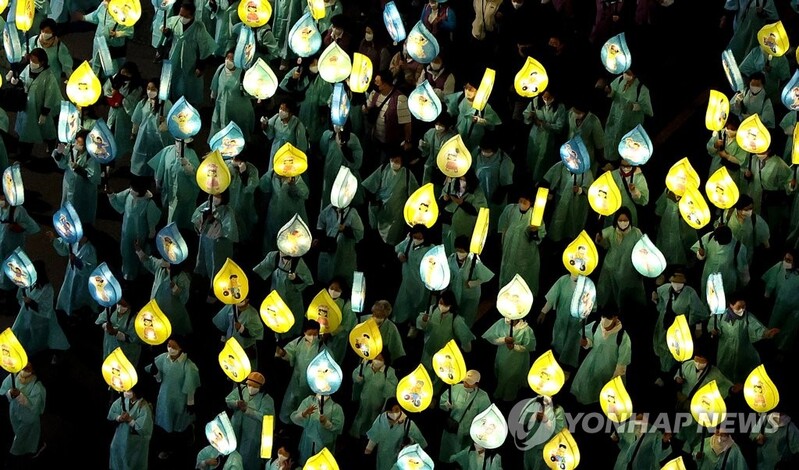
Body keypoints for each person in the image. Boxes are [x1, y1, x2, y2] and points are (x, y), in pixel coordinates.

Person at [145, 337, 201, 460]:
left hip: (180, 399)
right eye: (169, 345)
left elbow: (190, 386)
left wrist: (190, 402)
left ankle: (183, 440)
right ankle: (166, 447)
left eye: (174, 347)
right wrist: (155, 373)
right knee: (165, 422)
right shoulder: (163, 358)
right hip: (165, 396)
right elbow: (159, 378)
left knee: (179, 425)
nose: (170, 349)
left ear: (181, 348)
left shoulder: (188, 366)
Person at [651, 269, 707, 382]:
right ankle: (662, 374)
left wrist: (698, 327)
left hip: (679, 326)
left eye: (680, 283)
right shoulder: (665, 289)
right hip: (663, 324)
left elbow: (698, 312)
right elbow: (658, 299)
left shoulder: (690, 293)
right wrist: (655, 298)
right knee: (661, 347)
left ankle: (672, 375)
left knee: (676, 350)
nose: (677, 285)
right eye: (674, 282)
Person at [710, 292, 778, 383]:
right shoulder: (721, 315)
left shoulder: (747, 317)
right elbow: (713, 325)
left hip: (743, 350)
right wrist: (713, 331)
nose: (742, 309)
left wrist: (766, 333)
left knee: (743, 371)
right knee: (724, 368)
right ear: (731, 305)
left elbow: (757, 327)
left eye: (744, 306)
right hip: (725, 349)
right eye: (739, 307)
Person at [674, 352, 734, 452]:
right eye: (697, 357)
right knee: (683, 428)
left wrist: (731, 389)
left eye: (702, 358)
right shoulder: (687, 364)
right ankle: (681, 446)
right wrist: (677, 379)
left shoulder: (715, 373)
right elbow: (678, 374)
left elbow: (725, 385)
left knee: (697, 433)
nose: (698, 361)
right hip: (685, 405)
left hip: (701, 408)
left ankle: (694, 450)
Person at [537, 272, 595, 374]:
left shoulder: (588, 284)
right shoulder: (563, 280)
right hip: (562, 320)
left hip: (577, 324)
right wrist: (544, 311)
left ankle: (566, 370)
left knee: (572, 345)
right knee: (559, 343)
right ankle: (554, 367)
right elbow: (552, 296)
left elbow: (590, 305)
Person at [570, 310, 632, 405]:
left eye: (609, 317)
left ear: (616, 317)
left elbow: (622, 362)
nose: (605, 320)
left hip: (610, 371)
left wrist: (614, 381)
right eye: (604, 316)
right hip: (591, 365)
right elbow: (591, 343)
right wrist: (586, 342)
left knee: (606, 400)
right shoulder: (596, 326)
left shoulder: (622, 336)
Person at [10, 48, 62, 161]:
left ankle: (52, 145)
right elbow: (23, 81)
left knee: (46, 130)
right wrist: (17, 82)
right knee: (26, 130)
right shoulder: (28, 68)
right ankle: (24, 154)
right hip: (26, 107)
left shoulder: (48, 77)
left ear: (42, 62)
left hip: (39, 110)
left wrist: (44, 112)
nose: (32, 62)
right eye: (31, 60)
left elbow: (50, 95)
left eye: (34, 60)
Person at [11, 260, 69, 359]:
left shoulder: (47, 288)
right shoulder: (28, 282)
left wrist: (31, 303)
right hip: (27, 315)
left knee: (38, 337)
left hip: (40, 319)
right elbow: (20, 296)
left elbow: (47, 308)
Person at [162, 3, 216, 105]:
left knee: (188, 88)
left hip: (191, 63)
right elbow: (168, 35)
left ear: (191, 15)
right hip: (173, 60)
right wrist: (167, 33)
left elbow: (205, 48)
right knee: (172, 84)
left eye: (185, 16)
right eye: (180, 14)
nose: (182, 18)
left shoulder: (199, 27)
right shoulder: (174, 21)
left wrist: (200, 66)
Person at [108, 177, 161, 281]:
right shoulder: (128, 194)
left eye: (133, 188)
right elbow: (117, 200)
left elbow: (152, 223)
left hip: (139, 236)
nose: (131, 189)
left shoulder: (149, 204)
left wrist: (150, 237)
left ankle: (137, 276)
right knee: (126, 253)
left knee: (137, 255)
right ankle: (127, 274)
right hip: (126, 232)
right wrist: (111, 194)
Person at [362, 152, 420, 246]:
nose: (394, 162)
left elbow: (415, 194)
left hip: (398, 212)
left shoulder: (407, 174)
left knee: (394, 238)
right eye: (392, 160)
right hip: (382, 210)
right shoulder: (383, 169)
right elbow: (370, 185)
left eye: (396, 160)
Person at [254, 251, 314, 339]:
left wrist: (296, 279)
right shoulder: (274, 257)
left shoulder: (298, 262)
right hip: (275, 300)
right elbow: (259, 271)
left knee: (292, 328)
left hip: (292, 302)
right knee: (274, 325)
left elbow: (308, 282)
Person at [596, 207, 645, 310]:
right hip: (610, 268)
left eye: (625, 220)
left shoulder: (636, 233)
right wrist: (599, 240)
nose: (623, 222)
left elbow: (643, 248)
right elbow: (604, 244)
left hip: (629, 269)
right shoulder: (611, 231)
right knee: (609, 294)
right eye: (620, 220)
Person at [498, 191, 546, 295]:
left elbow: (541, 234)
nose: (522, 203)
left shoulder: (535, 214)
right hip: (509, 248)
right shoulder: (510, 209)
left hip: (525, 251)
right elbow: (503, 226)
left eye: (525, 201)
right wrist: (503, 242)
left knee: (523, 274)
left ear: (531, 202)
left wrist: (535, 232)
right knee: (507, 271)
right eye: (520, 201)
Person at [601, 69, 653, 164]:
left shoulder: (641, 89)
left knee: (626, 151)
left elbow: (648, 110)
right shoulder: (620, 80)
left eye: (628, 73)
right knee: (611, 144)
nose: (625, 75)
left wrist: (635, 106)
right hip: (615, 119)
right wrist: (608, 90)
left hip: (629, 125)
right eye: (625, 72)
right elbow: (613, 93)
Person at [192, 190, 239, 296]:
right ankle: (202, 283)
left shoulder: (227, 211)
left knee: (217, 267)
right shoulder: (207, 205)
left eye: (218, 195)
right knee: (203, 261)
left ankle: (214, 291)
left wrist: (215, 221)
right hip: (205, 241)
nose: (216, 197)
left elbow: (229, 231)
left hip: (220, 245)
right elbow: (195, 219)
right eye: (214, 195)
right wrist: (203, 218)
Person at [224, 372, 274, 469]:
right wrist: (236, 403)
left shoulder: (266, 399)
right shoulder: (242, 389)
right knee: (232, 452)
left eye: (254, 386)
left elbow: (266, 417)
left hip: (252, 432)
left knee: (247, 456)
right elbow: (228, 400)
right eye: (249, 385)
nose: (250, 388)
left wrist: (247, 410)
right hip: (236, 426)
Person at [137, 247, 192, 335]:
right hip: (155, 309)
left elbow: (184, 298)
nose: (162, 259)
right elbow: (149, 262)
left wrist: (175, 288)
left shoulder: (182, 278)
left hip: (170, 314)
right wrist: (139, 250)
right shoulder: (161, 268)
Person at [275, 320, 322, 424]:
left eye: (315, 334)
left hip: (312, 384)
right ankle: (287, 423)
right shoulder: (298, 342)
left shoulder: (321, 347)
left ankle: (302, 425)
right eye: (310, 334)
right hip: (296, 379)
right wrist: (283, 353)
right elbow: (289, 353)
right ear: (304, 332)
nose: (313, 337)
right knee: (290, 402)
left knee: (306, 406)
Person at [279, 57, 333, 146]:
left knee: (313, 138)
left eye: (317, 64)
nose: (315, 67)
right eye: (313, 64)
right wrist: (293, 79)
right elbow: (283, 86)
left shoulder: (323, 78)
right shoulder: (297, 71)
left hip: (315, 114)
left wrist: (323, 114)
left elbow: (327, 99)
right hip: (299, 111)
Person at [149, 139, 200, 231]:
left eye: (182, 143)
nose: (179, 145)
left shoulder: (191, 154)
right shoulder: (168, 151)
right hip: (168, 190)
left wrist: (187, 165)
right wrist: (157, 182)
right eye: (177, 141)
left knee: (183, 215)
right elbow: (160, 168)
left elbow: (196, 175)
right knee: (169, 212)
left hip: (185, 192)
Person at [439, 370, 490, 461]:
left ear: (476, 383)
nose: (466, 384)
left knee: (462, 455)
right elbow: (443, 400)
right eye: (465, 381)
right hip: (452, 428)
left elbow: (485, 416)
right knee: (448, 450)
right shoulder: (455, 388)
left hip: (467, 433)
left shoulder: (483, 397)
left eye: (469, 383)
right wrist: (446, 404)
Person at [482, 315, 536, 402]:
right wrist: (504, 340)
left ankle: (509, 396)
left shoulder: (526, 330)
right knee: (502, 373)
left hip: (516, 359)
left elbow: (528, 347)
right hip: (502, 355)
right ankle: (500, 391)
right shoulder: (502, 323)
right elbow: (493, 338)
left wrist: (514, 347)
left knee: (512, 377)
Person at [52, 131, 101, 225]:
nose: (77, 145)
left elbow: (94, 177)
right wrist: (58, 153)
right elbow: (62, 164)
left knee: (81, 212)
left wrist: (79, 169)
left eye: (80, 144)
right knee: (67, 205)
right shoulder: (71, 149)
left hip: (83, 189)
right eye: (77, 142)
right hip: (68, 184)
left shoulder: (92, 157)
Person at [417, 290, 474, 371]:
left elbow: (464, 336)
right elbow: (423, 325)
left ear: (450, 305)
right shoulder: (433, 309)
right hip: (428, 348)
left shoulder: (455, 320)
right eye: (441, 302)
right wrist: (423, 320)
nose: (442, 305)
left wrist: (466, 348)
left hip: (444, 354)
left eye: (445, 304)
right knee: (424, 370)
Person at [365, 398, 428, 470]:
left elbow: (421, 442)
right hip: (382, 455)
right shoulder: (381, 418)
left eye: (396, 410)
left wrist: (410, 441)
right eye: (390, 411)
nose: (393, 413)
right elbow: (374, 435)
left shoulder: (407, 424)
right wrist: (369, 449)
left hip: (398, 457)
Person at [744, 147, 792, 240]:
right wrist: (747, 175)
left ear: (769, 149)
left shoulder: (778, 163)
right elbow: (748, 175)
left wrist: (791, 185)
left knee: (768, 225)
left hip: (769, 202)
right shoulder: (754, 159)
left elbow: (788, 181)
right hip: (754, 196)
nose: (759, 151)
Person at [48, 228, 97, 318]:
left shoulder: (90, 250)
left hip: (82, 278)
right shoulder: (74, 243)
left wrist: (77, 261)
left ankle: (81, 312)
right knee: (69, 290)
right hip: (71, 273)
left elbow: (91, 266)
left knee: (79, 294)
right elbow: (64, 247)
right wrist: (54, 239)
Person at [542, 159, 594, 243]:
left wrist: (580, 190)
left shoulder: (586, 171)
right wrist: (550, 191)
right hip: (561, 200)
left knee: (573, 225)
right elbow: (551, 178)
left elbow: (591, 189)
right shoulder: (562, 165)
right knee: (559, 221)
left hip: (577, 203)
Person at [314, 197, 364, 285]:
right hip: (329, 247)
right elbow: (320, 223)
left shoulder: (352, 213)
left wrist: (346, 230)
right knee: (327, 274)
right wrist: (318, 238)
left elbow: (359, 234)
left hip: (345, 250)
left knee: (343, 275)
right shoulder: (329, 209)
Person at [0, 363, 46, 458]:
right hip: (14, 413)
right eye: (24, 365)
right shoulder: (14, 375)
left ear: (33, 370)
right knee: (19, 433)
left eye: (28, 367)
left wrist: (19, 395)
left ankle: (36, 448)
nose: (24, 369)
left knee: (30, 436)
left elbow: (35, 407)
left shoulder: (37, 386)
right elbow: (4, 390)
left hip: (29, 418)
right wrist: (10, 393)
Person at [692, 225, 750, 300]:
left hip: (726, 280)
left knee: (723, 301)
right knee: (706, 298)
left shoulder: (738, 247)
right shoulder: (709, 237)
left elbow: (742, 269)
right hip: (708, 274)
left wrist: (744, 284)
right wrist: (701, 254)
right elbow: (701, 255)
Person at [259, 171, 310, 255]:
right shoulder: (273, 175)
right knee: (273, 240)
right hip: (275, 213)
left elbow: (305, 194)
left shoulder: (295, 177)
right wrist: (272, 173)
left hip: (291, 215)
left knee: (291, 243)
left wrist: (293, 186)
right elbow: (263, 186)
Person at [350, 351, 398, 439]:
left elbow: (390, 391)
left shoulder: (389, 372)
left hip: (377, 403)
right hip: (364, 399)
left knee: (373, 421)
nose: (377, 361)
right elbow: (356, 374)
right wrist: (358, 378)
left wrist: (385, 406)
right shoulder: (366, 365)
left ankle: (369, 439)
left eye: (380, 359)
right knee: (361, 417)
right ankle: (357, 436)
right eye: (375, 358)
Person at [448, 236, 494, 327]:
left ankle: (466, 336)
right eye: (458, 250)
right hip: (455, 291)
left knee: (468, 316)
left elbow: (485, 276)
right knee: (456, 315)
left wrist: (472, 283)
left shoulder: (474, 261)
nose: (460, 253)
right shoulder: (451, 258)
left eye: (462, 251)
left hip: (470, 294)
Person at [445, 76, 502, 150]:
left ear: (478, 90)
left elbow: (491, 124)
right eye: (466, 88)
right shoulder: (460, 97)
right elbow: (451, 109)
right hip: (458, 132)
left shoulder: (484, 106)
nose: (467, 91)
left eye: (471, 89)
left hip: (475, 138)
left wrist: (479, 121)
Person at [473, 132, 514, 232]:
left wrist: (499, 196)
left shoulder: (504, 160)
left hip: (496, 196)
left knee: (494, 220)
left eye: (487, 150)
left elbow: (506, 183)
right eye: (483, 150)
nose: (485, 153)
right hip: (479, 193)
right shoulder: (477, 153)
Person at [394, 225, 433, 334]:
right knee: (403, 302)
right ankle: (400, 323)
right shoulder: (409, 241)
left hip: (421, 284)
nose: (416, 237)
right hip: (407, 280)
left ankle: (414, 326)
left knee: (419, 306)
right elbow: (399, 248)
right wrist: (400, 255)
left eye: (418, 234)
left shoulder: (430, 249)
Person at [131, 79, 173, 178]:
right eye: (148, 88)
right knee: (142, 157)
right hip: (143, 136)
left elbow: (172, 120)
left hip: (159, 137)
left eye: (153, 89)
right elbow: (136, 119)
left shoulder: (166, 104)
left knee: (157, 158)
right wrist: (133, 132)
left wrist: (165, 120)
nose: (150, 91)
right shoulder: (143, 103)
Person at [0, 194, 40, 296]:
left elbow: (32, 227)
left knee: (12, 270)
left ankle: (11, 294)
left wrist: (17, 227)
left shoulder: (18, 210)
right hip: (2, 245)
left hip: (13, 245)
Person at [79, 0, 133, 74]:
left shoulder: (124, 13)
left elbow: (130, 32)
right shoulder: (103, 5)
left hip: (115, 47)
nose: (105, 2)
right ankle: (95, 80)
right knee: (96, 63)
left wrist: (117, 34)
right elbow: (95, 16)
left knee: (114, 68)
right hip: (100, 41)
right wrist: (84, 17)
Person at [364, 71, 413, 153]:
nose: (375, 84)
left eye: (377, 82)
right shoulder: (374, 93)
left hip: (391, 142)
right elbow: (367, 107)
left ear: (385, 84)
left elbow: (407, 123)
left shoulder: (400, 99)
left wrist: (407, 141)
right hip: (376, 137)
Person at [210, 51, 255, 141]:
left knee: (237, 128)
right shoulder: (221, 69)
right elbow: (215, 84)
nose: (229, 60)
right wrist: (213, 95)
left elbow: (250, 92)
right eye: (227, 58)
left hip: (238, 109)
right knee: (219, 124)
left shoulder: (243, 73)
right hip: (221, 104)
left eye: (232, 59)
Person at [291, 392, 345, 465]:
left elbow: (338, 427)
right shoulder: (309, 401)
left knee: (321, 464)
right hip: (308, 440)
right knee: (305, 463)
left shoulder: (335, 408)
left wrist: (326, 423)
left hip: (325, 443)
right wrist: (304, 413)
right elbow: (295, 418)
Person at [107, 386, 153, 470]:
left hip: (134, 443)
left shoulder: (143, 407)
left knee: (131, 460)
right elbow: (112, 412)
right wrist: (119, 418)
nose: (127, 391)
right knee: (116, 452)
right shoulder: (123, 400)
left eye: (130, 389)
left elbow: (145, 429)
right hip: (120, 437)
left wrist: (130, 420)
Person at [524, 89, 566, 181]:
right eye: (544, 97)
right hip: (535, 134)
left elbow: (559, 126)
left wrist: (543, 124)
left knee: (542, 160)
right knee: (532, 157)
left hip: (548, 137)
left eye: (549, 97)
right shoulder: (535, 101)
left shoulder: (560, 107)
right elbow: (526, 114)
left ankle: (539, 181)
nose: (546, 99)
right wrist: (530, 116)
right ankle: (529, 178)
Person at [440, 171, 487, 254]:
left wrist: (461, 203)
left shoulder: (477, 191)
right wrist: (445, 199)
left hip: (464, 227)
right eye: (460, 179)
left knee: (461, 252)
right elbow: (441, 201)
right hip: (448, 224)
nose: (462, 181)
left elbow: (478, 210)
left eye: (464, 179)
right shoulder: (452, 184)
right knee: (447, 249)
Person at [103, 63, 144, 158]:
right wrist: (112, 98)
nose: (124, 75)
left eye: (127, 73)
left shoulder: (136, 87)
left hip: (124, 114)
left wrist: (120, 97)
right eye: (123, 72)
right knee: (110, 133)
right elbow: (107, 89)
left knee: (121, 137)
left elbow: (132, 102)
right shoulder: (115, 78)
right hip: (113, 111)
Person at [320, 124, 363, 210]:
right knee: (329, 205)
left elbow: (357, 163)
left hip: (345, 178)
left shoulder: (352, 139)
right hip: (330, 175)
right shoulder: (328, 136)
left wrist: (345, 149)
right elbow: (323, 150)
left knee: (345, 206)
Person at [763, 250, 799, 353]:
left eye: (789, 260)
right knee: (772, 326)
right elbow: (771, 279)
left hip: (793, 310)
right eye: (785, 259)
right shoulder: (780, 266)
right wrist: (767, 293)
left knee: (787, 332)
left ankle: (780, 350)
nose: (785, 262)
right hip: (778, 304)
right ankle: (767, 344)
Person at [213, 298, 264, 366]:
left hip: (244, 349)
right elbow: (223, 324)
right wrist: (222, 340)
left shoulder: (253, 313)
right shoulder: (230, 307)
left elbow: (255, 333)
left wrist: (241, 328)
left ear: (247, 299)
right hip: (229, 345)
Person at [262, 100, 309, 173]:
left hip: (289, 156)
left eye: (284, 110)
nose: (281, 111)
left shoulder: (297, 124)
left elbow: (301, 145)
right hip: (275, 151)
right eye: (280, 108)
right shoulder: (276, 118)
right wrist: (264, 124)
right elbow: (269, 134)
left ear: (290, 113)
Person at [519, 395, 566, 470]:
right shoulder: (534, 405)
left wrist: (547, 421)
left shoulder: (558, 410)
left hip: (546, 449)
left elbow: (560, 432)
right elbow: (522, 418)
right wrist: (533, 415)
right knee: (529, 465)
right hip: (531, 446)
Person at [722, 194, 770, 266]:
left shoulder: (755, 220)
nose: (749, 211)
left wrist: (767, 247)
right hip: (729, 253)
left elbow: (764, 237)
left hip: (747, 256)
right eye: (746, 209)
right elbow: (719, 226)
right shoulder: (728, 214)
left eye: (751, 209)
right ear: (739, 209)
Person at [654, 188, 698, 266]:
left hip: (684, 230)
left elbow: (697, 216)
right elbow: (659, 210)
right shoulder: (668, 190)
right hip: (665, 229)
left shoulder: (691, 194)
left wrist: (683, 213)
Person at [225, 154, 259, 242]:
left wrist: (243, 174)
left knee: (243, 223)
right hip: (229, 199)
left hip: (244, 201)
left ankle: (242, 242)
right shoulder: (226, 165)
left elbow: (250, 188)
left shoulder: (251, 170)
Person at [96, 299, 141, 365]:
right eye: (119, 303)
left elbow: (135, 339)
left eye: (123, 305)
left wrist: (116, 333)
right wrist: (105, 326)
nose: (120, 306)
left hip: (127, 352)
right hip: (110, 347)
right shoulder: (112, 309)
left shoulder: (136, 318)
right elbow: (100, 321)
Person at [706, 115, 746, 188]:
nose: (729, 130)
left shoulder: (741, 141)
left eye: (733, 129)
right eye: (728, 128)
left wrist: (728, 157)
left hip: (731, 172)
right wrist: (715, 145)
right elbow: (709, 148)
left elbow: (742, 161)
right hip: (716, 166)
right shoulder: (720, 134)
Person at [322, 279, 357, 364]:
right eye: (331, 288)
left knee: (333, 359)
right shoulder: (324, 299)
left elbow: (347, 325)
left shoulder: (347, 305)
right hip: (322, 335)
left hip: (338, 338)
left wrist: (330, 332)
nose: (333, 291)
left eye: (337, 290)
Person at [567, 101, 605, 172]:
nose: (575, 114)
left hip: (586, 156)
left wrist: (602, 161)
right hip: (570, 153)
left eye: (578, 113)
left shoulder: (593, 121)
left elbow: (600, 144)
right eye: (575, 111)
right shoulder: (571, 114)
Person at [611, 159, 649, 227]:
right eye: (623, 166)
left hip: (630, 212)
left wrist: (635, 191)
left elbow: (644, 200)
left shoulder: (638, 177)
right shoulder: (613, 174)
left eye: (628, 166)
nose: (625, 168)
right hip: (613, 211)